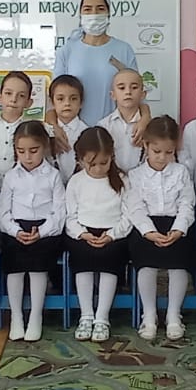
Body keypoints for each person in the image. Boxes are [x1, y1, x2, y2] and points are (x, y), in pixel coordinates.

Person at [125, 116, 196, 341]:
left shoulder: (181, 172)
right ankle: (149, 314)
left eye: (168, 152)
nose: (162, 157)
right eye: (156, 151)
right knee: (146, 264)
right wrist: (149, 232)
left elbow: (187, 204)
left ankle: (174, 314)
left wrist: (178, 229)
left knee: (179, 264)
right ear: (145, 145)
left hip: (176, 225)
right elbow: (135, 208)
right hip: (147, 227)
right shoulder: (135, 175)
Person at [0, 121, 66, 343]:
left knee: (38, 267)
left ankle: (36, 316)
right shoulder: (11, 176)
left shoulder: (53, 175)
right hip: (16, 230)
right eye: (21, 151)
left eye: (33, 151)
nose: (27, 157)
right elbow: (3, 213)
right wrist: (15, 231)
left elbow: (59, 213)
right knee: (14, 267)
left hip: (45, 230)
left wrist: (42, 232)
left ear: (44, 146)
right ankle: (16, 317)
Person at [64, 127, 131, 342]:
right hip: (83, 233)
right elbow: (70, 217)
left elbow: (128, 216)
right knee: (82, 260)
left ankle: (102, 317)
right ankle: (86, 315)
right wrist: (82, 234)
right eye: (92, 164)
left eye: (104, 162)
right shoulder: (76, 182)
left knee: (109, 261)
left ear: (112, 156)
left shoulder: (122, 180)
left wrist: (112, 235)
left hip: (113, 235)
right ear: (80, 160)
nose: (99, 169)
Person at [53, 0, 141, 126]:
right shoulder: (66, 51)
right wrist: (54, 127)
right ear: (80, 14)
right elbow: (55, 96)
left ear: (108, 13)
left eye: (100, 9)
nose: (94, 14)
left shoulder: (124, 49)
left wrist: (145, 118)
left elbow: (137, 93)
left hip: (115, 129)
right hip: (75, 131)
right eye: (87, 9)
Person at [100, 68, 147, 172]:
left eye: (134, 87)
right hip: (113, 177)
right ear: (113, 95)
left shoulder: (150, 125)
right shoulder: (104, 126)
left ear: (143, 94)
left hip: (143, 179)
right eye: (122, 88)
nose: (128, 92)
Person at [47, 74, 89, 184]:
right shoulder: (46, 131)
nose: (67, 103)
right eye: (60, 99)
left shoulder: (87, 133)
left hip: (79, 186)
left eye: (73, 99)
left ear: (81, 102)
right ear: (52, 102)